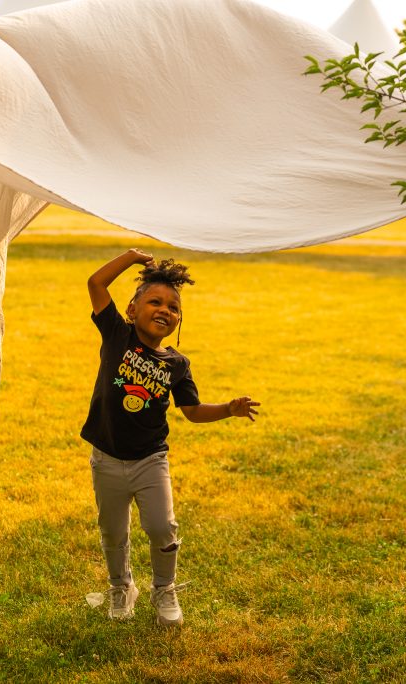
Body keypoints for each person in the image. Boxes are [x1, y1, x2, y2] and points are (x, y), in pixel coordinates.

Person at [82, 248, 260, 625]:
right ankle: (120, 587)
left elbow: (192, 412)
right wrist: (130, 257)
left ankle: (164, 589)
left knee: (162, 527)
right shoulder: (117, 334)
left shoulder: (177, 365)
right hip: (107, 458)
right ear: (132, 309)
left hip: (150, 460)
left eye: (173, 307)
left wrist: (228, 409)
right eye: (155, 301)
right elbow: (96, 283)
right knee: (113, 531)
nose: (164, 310)